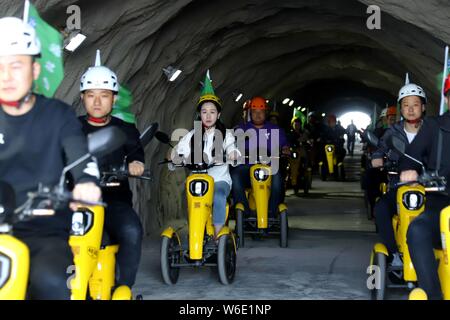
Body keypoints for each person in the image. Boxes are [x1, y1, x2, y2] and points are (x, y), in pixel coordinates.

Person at [0, 17, 101, 299]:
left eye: (16, 65)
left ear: (34, 69)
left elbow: (81, 157)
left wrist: (86, 182)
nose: (6, 76)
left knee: (55, 283)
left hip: (42, 230)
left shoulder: (58, 116)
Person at [77, 50, 145, 289]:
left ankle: (123, 287)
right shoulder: (69, 128)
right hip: (75, 202)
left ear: (114, 99)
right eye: (91, 95)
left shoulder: (125, 129)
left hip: (114, 200)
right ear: (83, 98)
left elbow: (136, 154)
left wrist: (136, 165)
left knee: (131, 231)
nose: (97, 102)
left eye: (104, 95)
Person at [170, 72, 239, 238]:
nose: (208, 116)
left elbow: (231, 147)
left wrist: (232, 154)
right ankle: (195, 230)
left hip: (219, 180)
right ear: (199, 114)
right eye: (204, 112)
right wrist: (174, 157)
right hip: (198, 179)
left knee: (219, 195)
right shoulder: (192, 135)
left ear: (219, 115)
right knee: (189, 196)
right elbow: (179, 150)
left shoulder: (226, 134)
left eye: (212, 112)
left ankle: (217, 233)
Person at [399, 75, 450, 299]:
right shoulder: (433, 127)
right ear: (447, 99)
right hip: (441, 207)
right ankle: (432, 294)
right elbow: (410, 158)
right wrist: (410, 170)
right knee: (417, 230)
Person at [371, 82, 426, 275]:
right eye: (406, 105)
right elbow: (379, 151)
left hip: (430, 189)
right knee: (381, 209)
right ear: (401, 108)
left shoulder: (433, 130)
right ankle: (394, 253)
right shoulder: (392, 132)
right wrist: (378, 159)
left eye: (416, 104)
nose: (411, 109)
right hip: (398, 187)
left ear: (423, 107)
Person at [231, 96, 290, 219]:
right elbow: (231, 144)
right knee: (235, 175)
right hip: (247, 166)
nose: (258, 115)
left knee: (278, 177)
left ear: (265, 113)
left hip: (268, 166)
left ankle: (272, 212)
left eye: (261, 112)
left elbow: (285, 145)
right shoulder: (242, 128)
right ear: (250, 113)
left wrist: (285, 149)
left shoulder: (275, 129)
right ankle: (244, 211)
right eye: (254, 112)